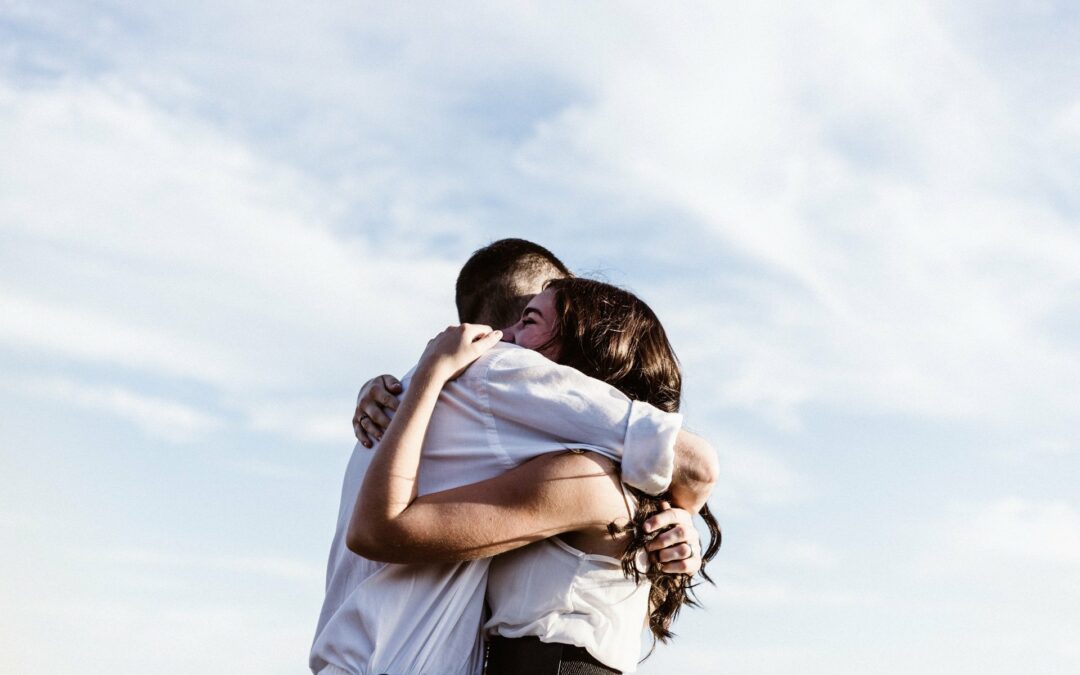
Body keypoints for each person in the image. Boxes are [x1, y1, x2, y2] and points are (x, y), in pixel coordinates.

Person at [310, 239, 717, 675]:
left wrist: (679, 516)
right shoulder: (498, 377)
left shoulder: (579, 471)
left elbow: (693, 464)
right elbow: (693, 464)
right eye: (526, 316)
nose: (510, 340)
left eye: (534, 321)